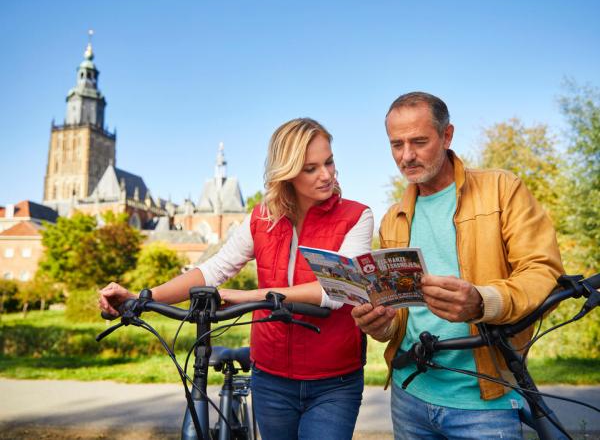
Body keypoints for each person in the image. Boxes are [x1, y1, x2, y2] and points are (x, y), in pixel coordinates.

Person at [99, 117, 374, 440]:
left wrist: (248, 297)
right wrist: (141, 297)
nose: (326, 174)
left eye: (329, 162)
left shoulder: (357, 216)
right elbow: (214, 270)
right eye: (311, 168)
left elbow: (337, 292)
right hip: (271, 378)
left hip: (334, 380)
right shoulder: (262, 218)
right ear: (286, 172)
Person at [351, 92, 564, 439]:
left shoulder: (501, 189)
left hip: (486, 400)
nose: (406, 156)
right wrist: (380, 326)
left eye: (419, 142)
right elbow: (400, 315)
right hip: (410, 394)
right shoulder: (393, 219)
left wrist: (482, 301)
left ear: (447, 135)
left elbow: (543, 272)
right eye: (396, 144)